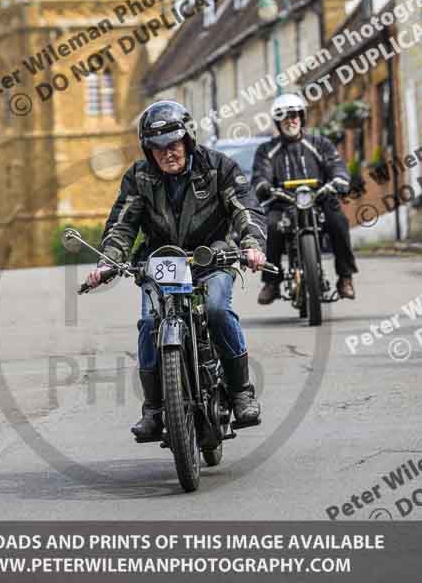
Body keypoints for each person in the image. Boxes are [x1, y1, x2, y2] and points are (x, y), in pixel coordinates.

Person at [84, 100, 267, 441]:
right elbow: (123, 224)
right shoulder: (139, 177)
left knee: (216, 310)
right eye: (158, 148)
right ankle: (154, 410)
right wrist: (107, 261)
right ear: (148, 150)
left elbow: (245, 208)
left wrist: (252, 245)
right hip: (161, 261)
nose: (167, 153)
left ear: (188, 140)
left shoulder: (219, 167)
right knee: (150, 323)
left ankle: (241, 392)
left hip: (212, 256)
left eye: (173, 144)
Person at [251, 93, 357, 305]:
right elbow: (260, 174)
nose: (290, 120)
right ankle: (271, 282)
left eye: (294, 115)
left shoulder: (320, 143)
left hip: (319, 198)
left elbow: (336, 164)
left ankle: (345, 278)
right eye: (284, 117)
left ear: (302, 117)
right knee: (271, 226)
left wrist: (339, 179)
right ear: (277, 122)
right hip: (282, 202)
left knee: (339, 222)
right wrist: (263, 185)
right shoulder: (266, 150)